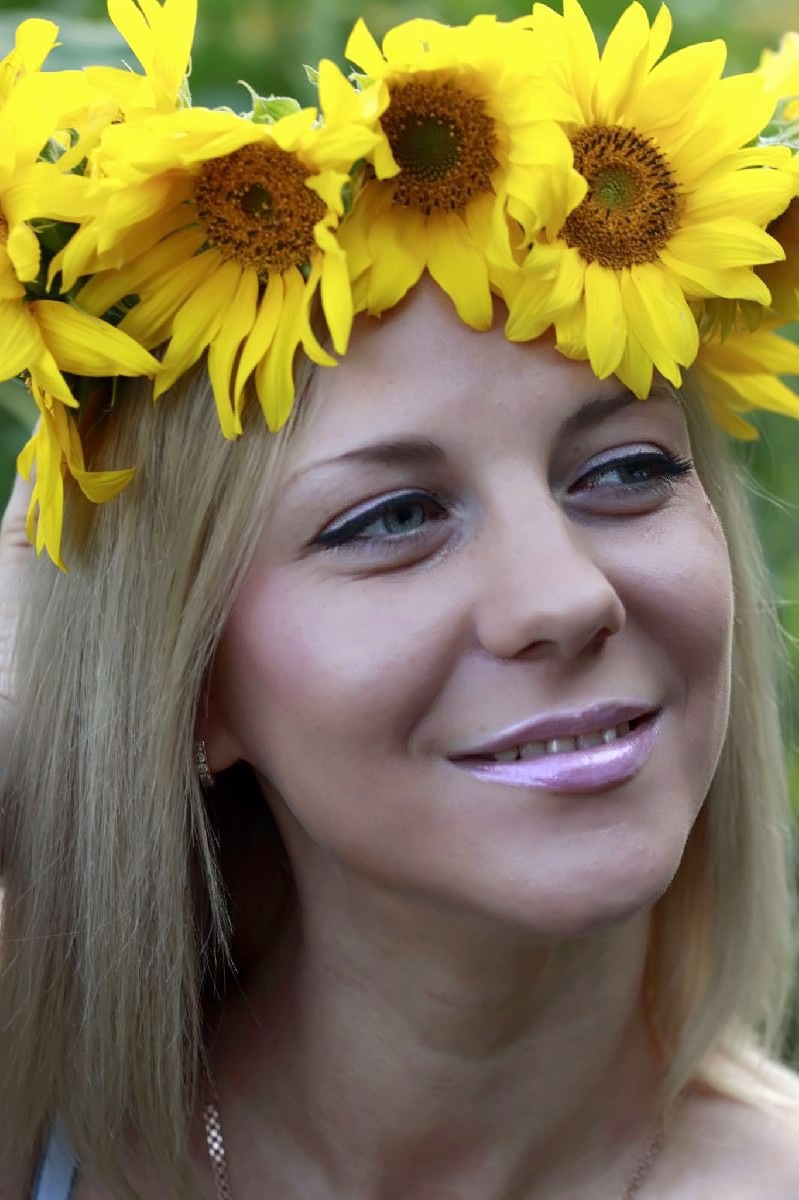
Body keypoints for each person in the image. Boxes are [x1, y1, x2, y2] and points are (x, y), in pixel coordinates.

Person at [1, 1, 799, 1197]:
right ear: (191, 677)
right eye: (391, 519)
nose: (564, 596)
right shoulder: (36, 1114)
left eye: (625, 471)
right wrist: (27, 731)